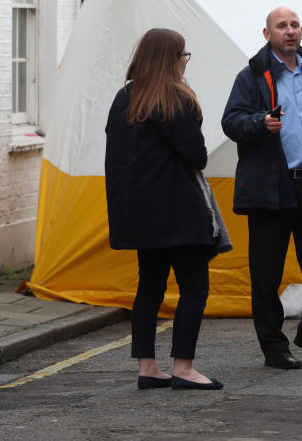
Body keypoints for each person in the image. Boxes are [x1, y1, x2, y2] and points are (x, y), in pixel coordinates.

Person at [221, 6, 302, 370]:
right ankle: (274, 346)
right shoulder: (252, 76)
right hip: (270, 187)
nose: (289, 31)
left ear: (301, 31)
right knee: (266, 273)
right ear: (267, 34)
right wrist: (260, 121)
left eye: (294, 25)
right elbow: (231, 121)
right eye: (281, 26)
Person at [104, 28, 223, 390]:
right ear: (170, 60)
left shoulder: (125, 99)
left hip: (140, 215)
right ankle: (184, 368)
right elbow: (196, 156)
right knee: (194, 288)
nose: (185, 63)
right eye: (183, 56)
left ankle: (147, 367)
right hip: (179, 212)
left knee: (150, 288)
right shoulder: (174, 100)